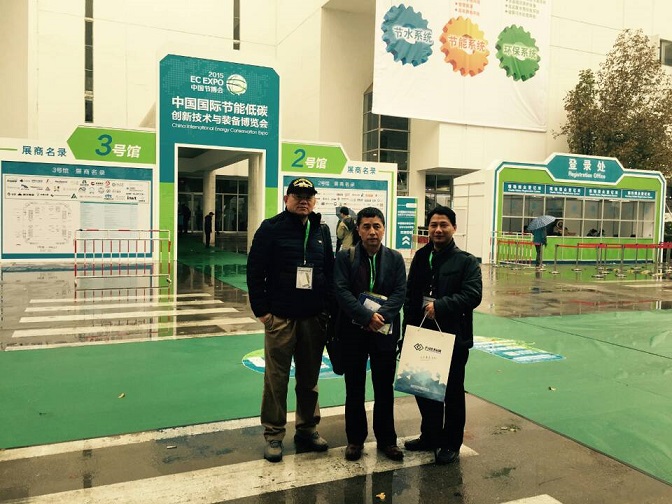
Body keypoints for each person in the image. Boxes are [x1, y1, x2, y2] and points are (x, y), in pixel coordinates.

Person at [246, 177, 334, 463]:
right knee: (276, 380)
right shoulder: (271, 228)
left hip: (313, 319)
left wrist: (326, 310)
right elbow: (255, 272)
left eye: (308, 196)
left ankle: (307, 429)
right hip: (281, 318)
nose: (303, 201)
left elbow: (329, 271)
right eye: (297, 196)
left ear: (314, 200)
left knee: (309, 379)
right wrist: (263, 313)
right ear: (287, 199)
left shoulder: (321, 230)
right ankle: (274, 434)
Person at [403, 205, 482, 465]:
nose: (438, 230)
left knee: (452, 394)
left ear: (454, 228)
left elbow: (473, 295)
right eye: (433, 225)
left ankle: (451, 443)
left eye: (444, 225)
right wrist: (407, 332)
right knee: (424, 389)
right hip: (423, 336)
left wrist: (442, 306)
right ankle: (430, 436)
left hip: (452, 338)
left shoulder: (466, 261)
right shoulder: (421, 256)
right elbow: (410, 296)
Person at [333, 207, 406, 462]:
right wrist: (366, 317)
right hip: (353, 332)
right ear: (359, 230)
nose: (372, 232)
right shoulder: (345, 257)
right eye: (366, 227)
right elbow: (341, 291)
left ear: (384, 229)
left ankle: (387, 440)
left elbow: (400, 292)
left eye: (377, 226)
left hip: (384, 332)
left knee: (384, 388)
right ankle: (355, 440)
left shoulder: (395, 258)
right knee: (354, 388)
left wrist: (380, 317)